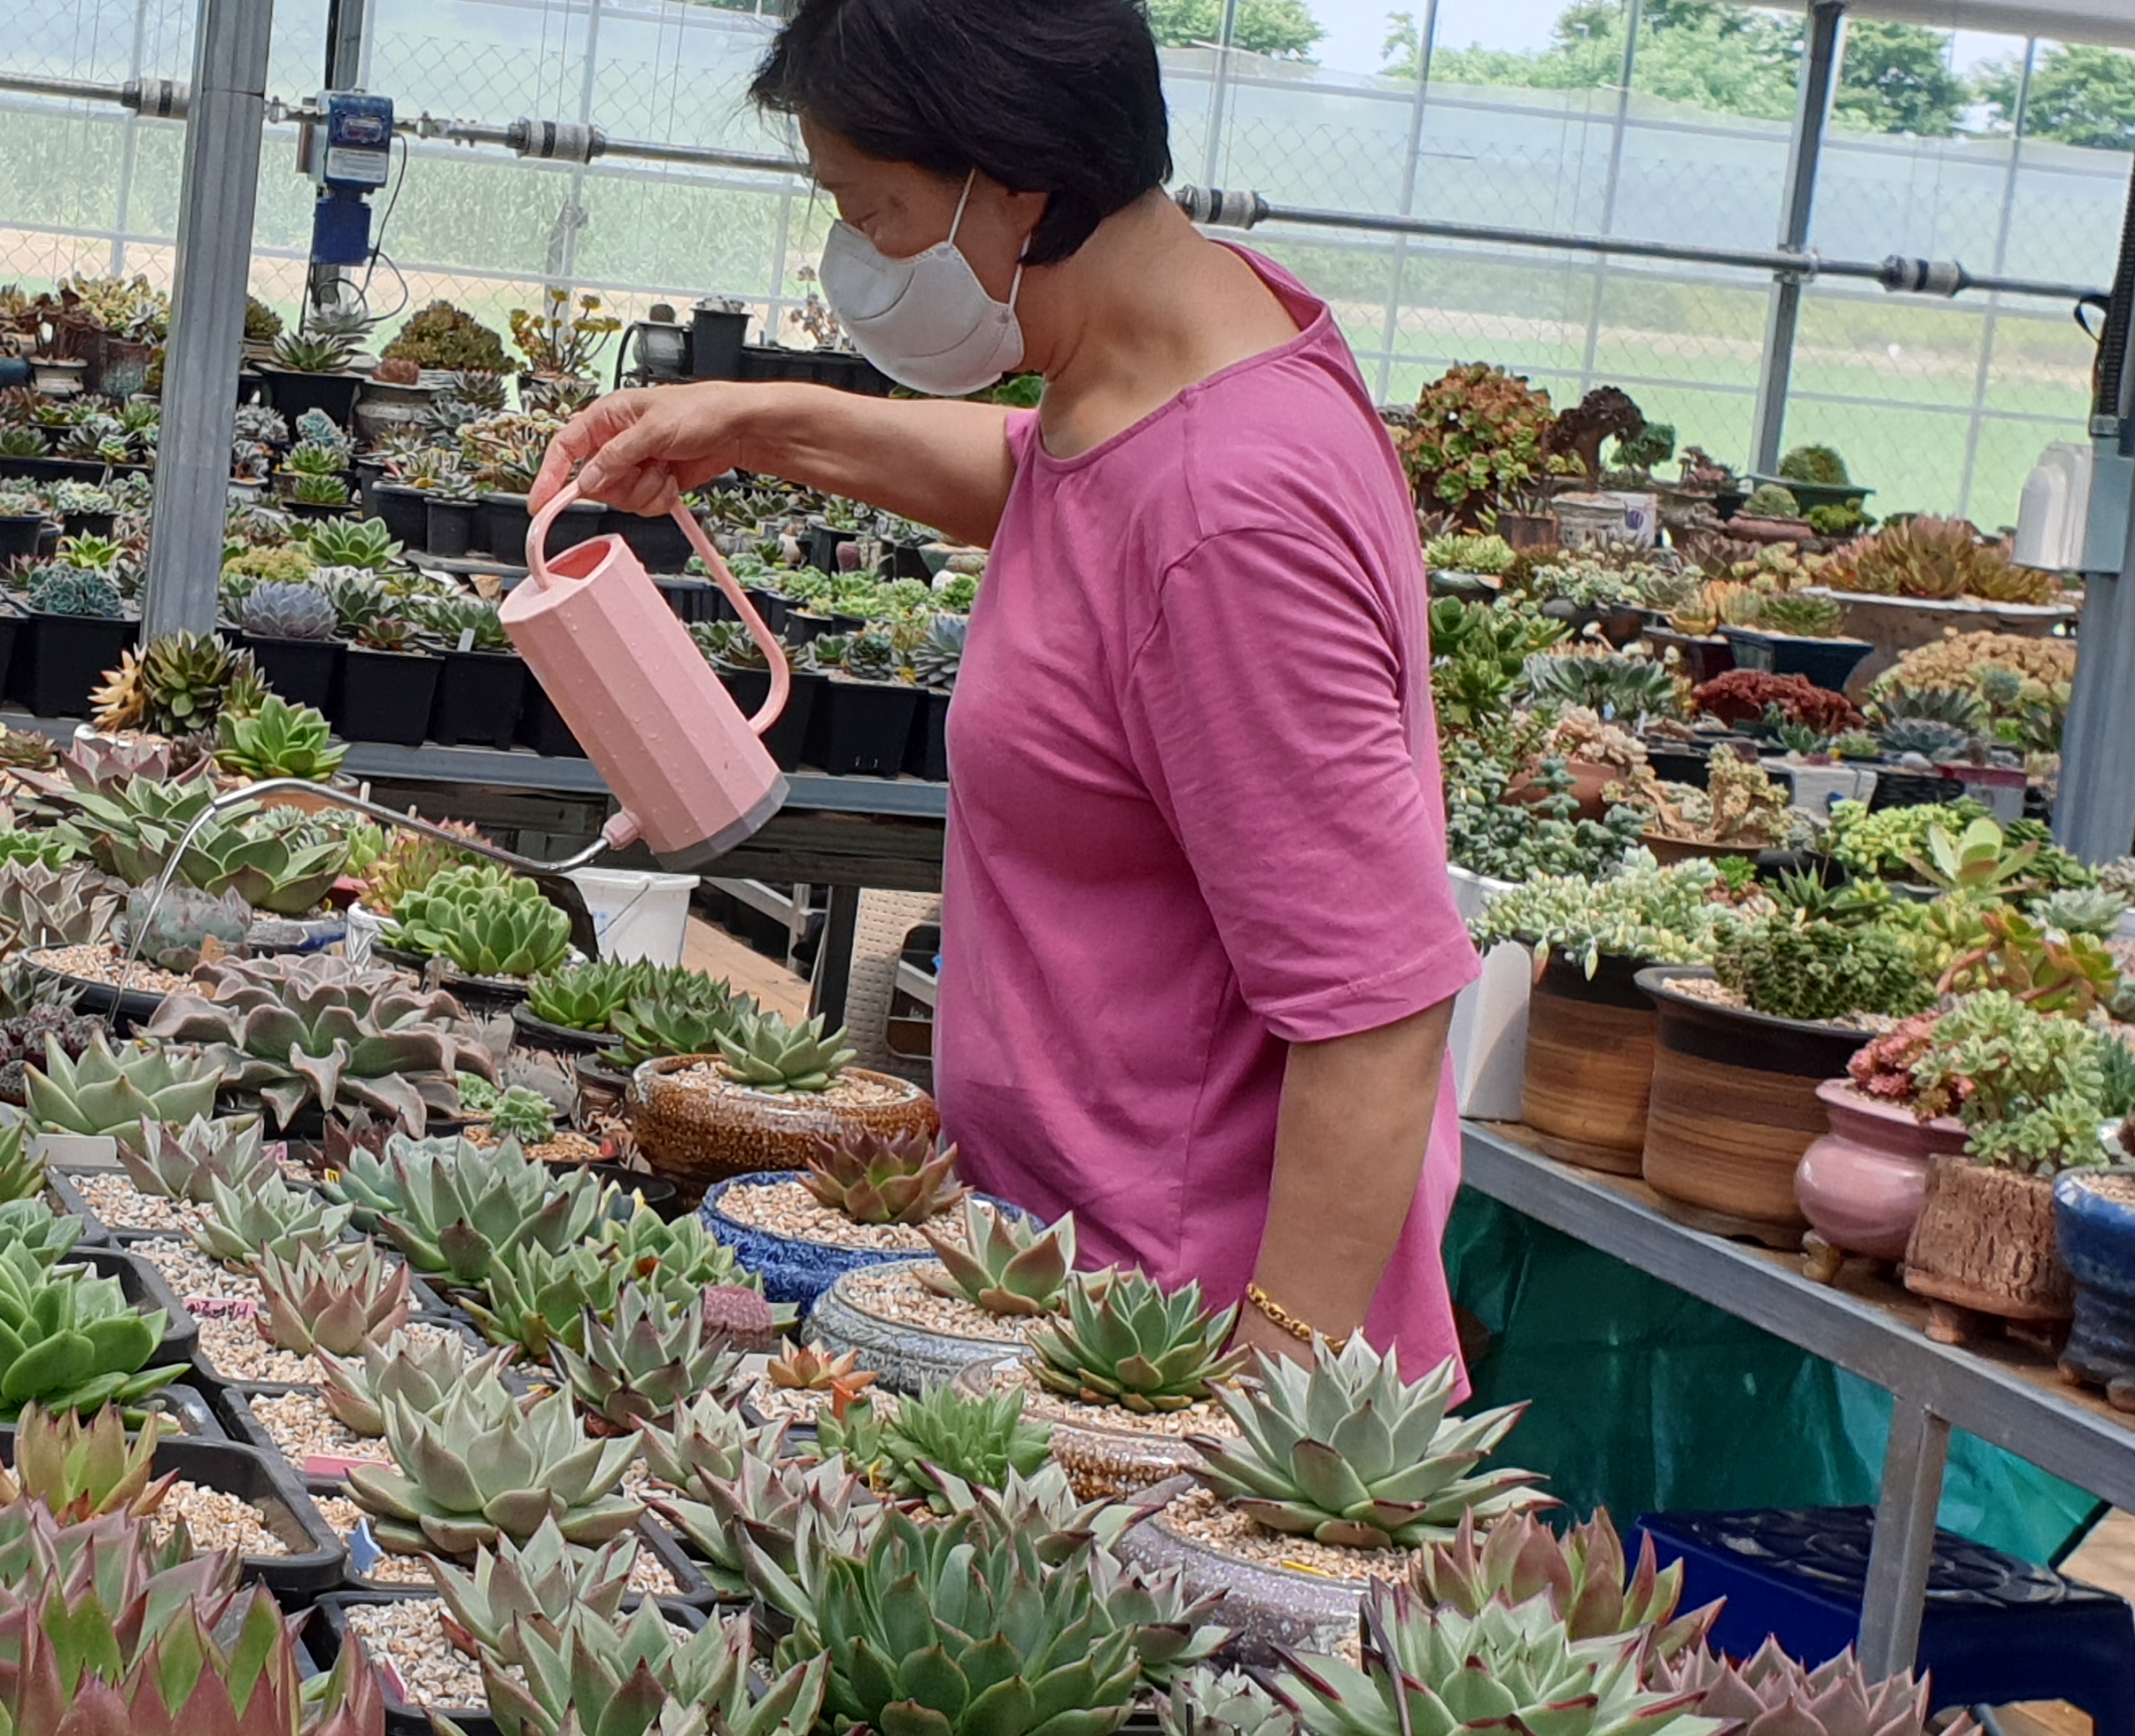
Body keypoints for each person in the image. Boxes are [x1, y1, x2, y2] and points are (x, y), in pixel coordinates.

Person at [534, 0, 1477, 1370]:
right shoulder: (1184, 354)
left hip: (1167, 1350)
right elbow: (1069, 486)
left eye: (875, 212)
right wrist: (758, 423)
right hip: (1064, 1284)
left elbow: (1379, 1007)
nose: (857, 262)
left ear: (1016, 180)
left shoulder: (1234, 517)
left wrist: (1265, 1395)